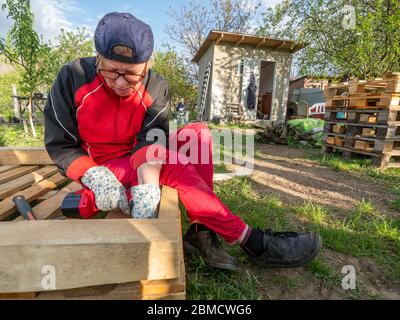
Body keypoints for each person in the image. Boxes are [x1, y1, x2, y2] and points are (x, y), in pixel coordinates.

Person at [44, 12, 322, 271]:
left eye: (131, 74)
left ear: (148, 64)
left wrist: (148, 179)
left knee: (197, 134)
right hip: (102, 166)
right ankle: (252, 241)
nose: (120, 83)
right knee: (175, 165)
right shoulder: (73, 78)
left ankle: (201, 232)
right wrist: (91, 174)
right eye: (112, 71)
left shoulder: (155, 85)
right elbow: (60, 143)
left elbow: (152, 140)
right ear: (98, 59)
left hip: (140, 154)